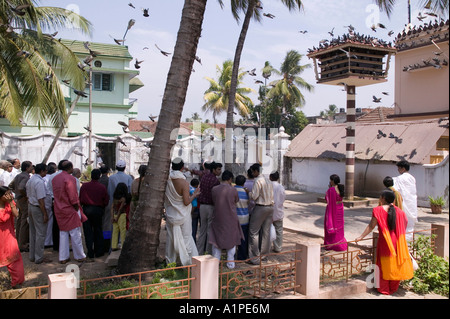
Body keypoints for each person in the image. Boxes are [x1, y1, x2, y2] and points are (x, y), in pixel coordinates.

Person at [356, 189, 414, 295]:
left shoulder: (377, 210)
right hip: (398, 241)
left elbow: (371, 226)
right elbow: (404, 225)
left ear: (383, 199)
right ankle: (393, 287)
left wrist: (361, 237)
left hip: (385, 242)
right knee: (395, 264)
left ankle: (384, 289)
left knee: (383, 265)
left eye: (380, 197)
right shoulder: (400, 212)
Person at [164, 158, 200, 266]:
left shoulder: (167, 180)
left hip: (171, 214)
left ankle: (171, 262)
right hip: (183, 215)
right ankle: (186, 263)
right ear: (182, 168)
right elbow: (186, 202)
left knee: (171, 240)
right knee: (186, 238)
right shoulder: (183, 182)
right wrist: (194, 195)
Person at [52, 160, 87, 264]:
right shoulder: (70, 178)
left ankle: (63, 257)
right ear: (70, 168)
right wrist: (76, 206)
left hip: (58, 208)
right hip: (70, 208)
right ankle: (79, 255)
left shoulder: (55, 178)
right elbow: (72, 196)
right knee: (75, 232)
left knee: (63, 233)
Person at [209, 170, 243, 269]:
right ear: (230, 179)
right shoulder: (233, 190)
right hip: (231, 217)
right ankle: (230, 263)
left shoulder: (214, 189)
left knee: (216, 239)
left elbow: (213, 200)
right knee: (231, 240)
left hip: (218, 217)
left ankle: (215, 262)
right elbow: (236, 200)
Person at [247, 163, 274, 264]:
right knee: (266, 233)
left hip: (261, 207)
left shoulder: (258, 180)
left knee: (253, 232)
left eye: (253, 171)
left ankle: (255, 258)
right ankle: (264, 257)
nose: (252, 173)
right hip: (270, 207)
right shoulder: (268, 180)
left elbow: (254, 196)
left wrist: (247, 192)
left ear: (256, 171)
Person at [80, 168, 109, 258]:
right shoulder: (102, 187)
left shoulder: (84, 186)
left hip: (87, 209)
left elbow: (80, 198)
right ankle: (98, 251)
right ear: (99, 176)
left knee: (88, 231)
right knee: (98, 230)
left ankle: (90, 251)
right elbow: (106, 200)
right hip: (98, 210)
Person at [0, 186, 25, 289]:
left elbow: (16, 214)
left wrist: (10, 203)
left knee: (14, 258)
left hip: (9, 236)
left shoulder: (9, 204)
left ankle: (17, 282)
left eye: (10, 193)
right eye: (7, 194)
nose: (10, 195)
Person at [26, 163, 50, 264]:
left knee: (33, 232)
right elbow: (41, 199)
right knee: (40, 233)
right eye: (45, 170)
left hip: (31, 206)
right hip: (37, 207)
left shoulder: (31, 180)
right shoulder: (39, 182)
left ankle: (32, 256)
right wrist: (44, 213)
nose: (46, 172)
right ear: (42, 171)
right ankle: (39, 257)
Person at [196, 161, 222, 255]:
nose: (220, 171)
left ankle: (199, 252)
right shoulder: (216, 181)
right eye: (218, 169)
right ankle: (208, 252)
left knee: (202, 230)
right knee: (209, 231)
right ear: (214, 170)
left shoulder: (204, 178)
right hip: (211, 207)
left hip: (202, 206)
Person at [9, 160, 33, 252]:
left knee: (20, 219)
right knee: (24, 221)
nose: (32, 168)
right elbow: (20, 188)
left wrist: (17, 193)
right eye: (31, 167)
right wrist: (25, 195)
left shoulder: (18, 175)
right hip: (23, 200)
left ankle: (18, 240)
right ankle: (22, 244)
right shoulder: (25, 177)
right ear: (27, 168)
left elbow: (11, 186)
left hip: (18, 199)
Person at [393, 160, 417, 241]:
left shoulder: (399, 179)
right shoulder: (412, 178)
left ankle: (402, 246)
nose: (398, 170)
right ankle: (408, 245)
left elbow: (395, 190)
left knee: (401, 225)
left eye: (399, 168)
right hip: (412, 204)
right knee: (409, 227)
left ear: (403, 168)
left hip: (403, 204)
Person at [324, 174, 348, 251]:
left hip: (333, 210)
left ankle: (331, 244)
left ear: (333, 181)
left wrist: (329, 189)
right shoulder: (341, 188)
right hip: (340, 209)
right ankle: (340, 242)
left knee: (331, 224)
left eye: (330, 180)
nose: (330, 181)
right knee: (339, 226)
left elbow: (326, 199)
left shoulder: (331, 190)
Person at [110, 182, 131, 251]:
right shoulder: (124, 198)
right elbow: (121, 208)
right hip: (122, 215)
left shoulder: (115, 197)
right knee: (123, 231)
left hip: (115, 214)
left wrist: (112, 217)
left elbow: (112, 207)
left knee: (115, 231)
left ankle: (114, 245)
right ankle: (123, 245)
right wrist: (117, 217)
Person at [234, 175, 249, 260]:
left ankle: (231, 256)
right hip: (245, 218)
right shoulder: (245, 192)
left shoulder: (232, 190)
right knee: (243, 238)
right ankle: (242, 256)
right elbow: (249, 203)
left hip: (235, 218)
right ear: (244, 183)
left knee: (232, 237)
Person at [270, 171, 286, 253]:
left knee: (267, 230)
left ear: (270, 177)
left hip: (269, 211)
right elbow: (283, 198)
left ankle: (267, 247)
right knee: (279, 231)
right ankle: (278, 247)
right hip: (278, 211)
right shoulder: (281, 187)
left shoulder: (268, 186)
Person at [43, 162, 57, 248]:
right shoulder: (52, 178)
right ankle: (48, 241)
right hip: (50, 200)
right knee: (50, 221)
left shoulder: (43, 178)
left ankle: (46, 240)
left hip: (43, 201)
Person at [189, 178, 200, 243]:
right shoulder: (195, 192)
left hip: (190, 209)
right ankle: (193, 241)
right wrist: (191, 212)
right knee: (194, 228)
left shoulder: (189, 189)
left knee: (191, 227)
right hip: (194, 210)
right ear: (197, 185)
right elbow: (195, 204)